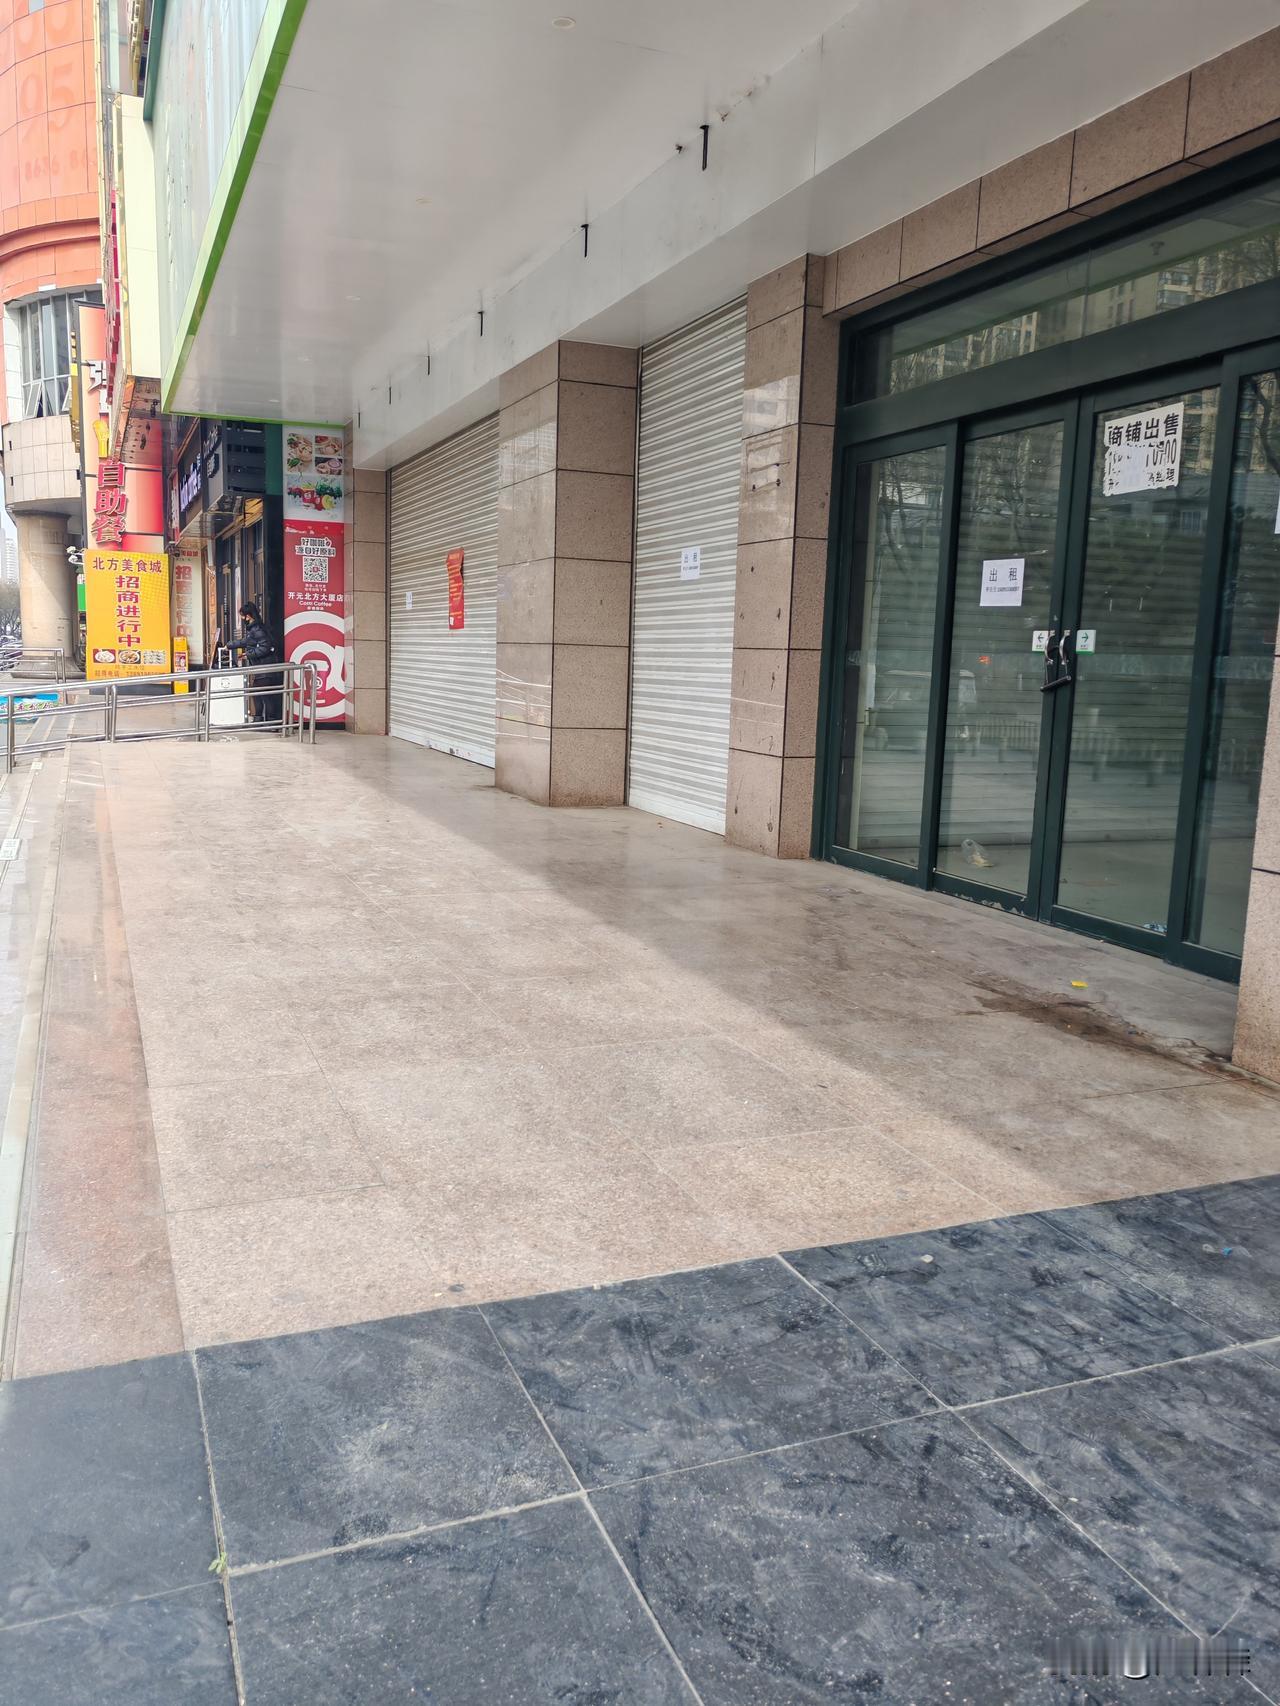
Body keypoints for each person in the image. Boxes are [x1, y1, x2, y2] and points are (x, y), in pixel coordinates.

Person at [234, 602, 282, 725]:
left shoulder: (257, 629)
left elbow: (265, 647)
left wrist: (249, 654)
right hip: (263, 667)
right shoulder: (256, 627)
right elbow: (247, 642)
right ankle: (262, 720)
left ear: (248, 616)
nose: (242, 618)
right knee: (260, 693)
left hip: (264, 667)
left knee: (264, 695)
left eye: (242, 616)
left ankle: (268, 722)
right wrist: (235, 648)